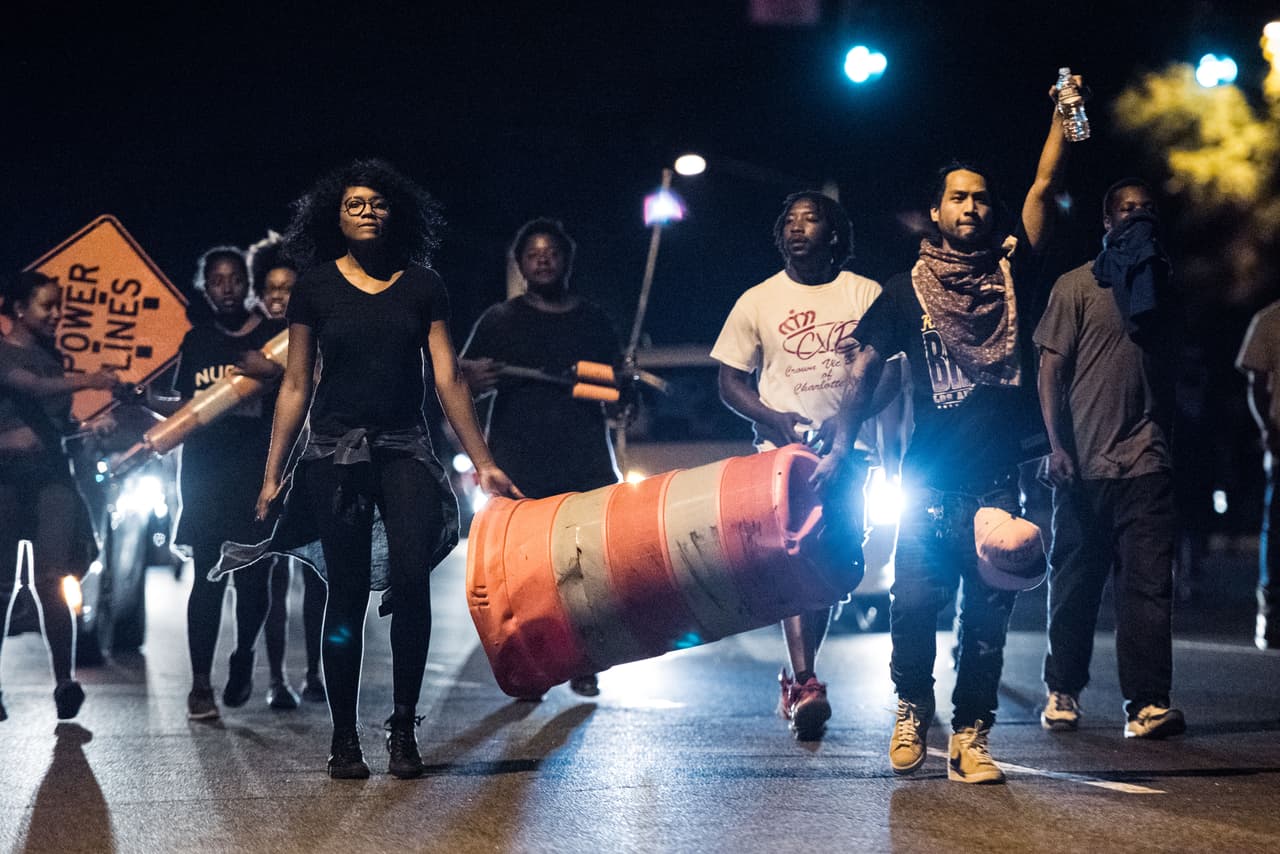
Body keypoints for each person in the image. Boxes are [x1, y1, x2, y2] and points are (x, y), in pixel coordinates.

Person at [813, 76, 1078, 783]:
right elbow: (864, 370)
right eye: (958, 196)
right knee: (915, 606)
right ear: (935, 211)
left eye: (981, 197)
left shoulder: (1014, 276)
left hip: (996, 483)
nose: (971, 206)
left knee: (988, 620)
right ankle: (910, 711)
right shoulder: (905, 293)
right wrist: (842, 442)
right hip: (926, 481)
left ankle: (971, 735)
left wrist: (1061, 115)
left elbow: (1046, 186)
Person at [254, 158, 521, 780]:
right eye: (354, 204)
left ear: (394, 212)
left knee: (411, 580)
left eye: (376, 203)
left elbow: (448, 376)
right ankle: (344, 738)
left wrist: (483, 462)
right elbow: (296, 383)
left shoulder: (422, 284)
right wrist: (274, 472)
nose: (367, 211)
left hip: (405, 448)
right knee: (343, 593)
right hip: (332, 453)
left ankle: (404, 728)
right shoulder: (314, 287)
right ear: (335, 217)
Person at [712, 191, 890, 740]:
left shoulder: (866, 294)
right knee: (795, 559)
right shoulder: (758, 300)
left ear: (833, 234)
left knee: (833, 565)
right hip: (782, 458)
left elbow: (893, 374)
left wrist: (847, 424)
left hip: (849, 452)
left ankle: (798, 675)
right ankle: (806, 679)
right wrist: (773, 417)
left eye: (810, 220)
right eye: (788, 221)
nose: (796, 229)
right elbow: (729, 381)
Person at [1036, 178, 1186, 738]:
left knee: (1147, 589)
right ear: (1107, 222)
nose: (1139, 217)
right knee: (1075, 585)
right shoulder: (1076, 286)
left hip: (1147, 462)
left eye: (1148, 210)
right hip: (1083, 465)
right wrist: (1056, 446)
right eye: (1128, 209)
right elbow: (1050, 370)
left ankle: (1146, 704)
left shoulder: (1164, 289)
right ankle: (1063, 689)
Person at [459, 217, 620, 697]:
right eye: (533, 254)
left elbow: (615, 387)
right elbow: (460, 381)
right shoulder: (499, 320)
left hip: (585, 459)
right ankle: (531, 664)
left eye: (551, 251)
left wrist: (615, 386)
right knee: (525, 573)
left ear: (567, 259)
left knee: (585, 566)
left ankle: (585, 659)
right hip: (519, 460)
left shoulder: (593, 319)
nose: (543, 259)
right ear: (520, 265)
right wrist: (471, 376)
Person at [154, 247, 285, 722]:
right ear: (205, 288)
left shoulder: (276, 337)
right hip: (206, 475)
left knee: (253, 584)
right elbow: (186, 408)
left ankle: (245, 653)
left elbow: (306, 384)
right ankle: (199, 686)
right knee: (206, 581)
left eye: (234, 279)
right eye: (216, 281)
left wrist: (271, 372)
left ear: (248, 285)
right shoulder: (198, 340)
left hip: (258, 474)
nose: (226, 287)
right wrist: (144, 402)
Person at [0, 271, 121, 722]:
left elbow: (59, 427)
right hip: (6, 482)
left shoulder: (54, 358)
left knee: (54, 580)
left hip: (52, 477)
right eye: (46, 306)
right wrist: (90, 379)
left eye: (58, 306)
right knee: (2, 586)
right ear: (17, 308)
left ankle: (65, 683)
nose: (55, 315)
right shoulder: (4, 354)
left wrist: (89, 429)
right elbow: (27, 387)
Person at [246, 233, 327, 706]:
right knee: (272, 578)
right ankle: (275, 679)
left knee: (317, 576)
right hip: (264, 469)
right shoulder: (250, 341)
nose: (279, 296)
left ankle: (314, 672)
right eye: (271, 288)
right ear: (260, 293)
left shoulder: (315, 336)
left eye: (287, 288)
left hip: (312, 463)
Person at [1237, 298, 1280, 651]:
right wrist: (1267, 428)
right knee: (1276, 526)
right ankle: (1270, 610)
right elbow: (1255, 381)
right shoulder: (1269, 320)